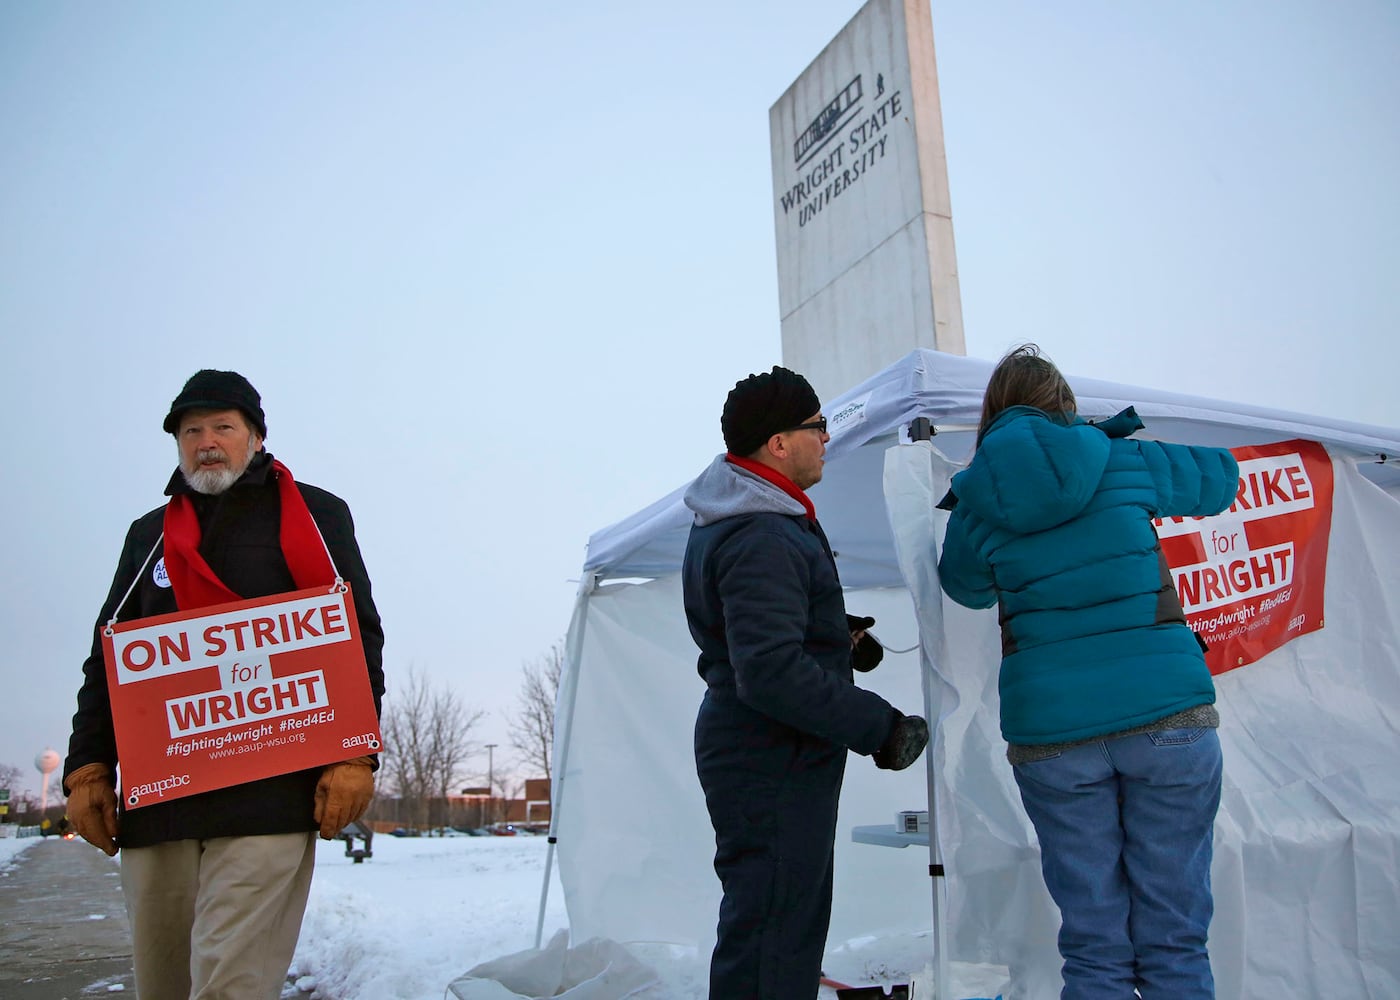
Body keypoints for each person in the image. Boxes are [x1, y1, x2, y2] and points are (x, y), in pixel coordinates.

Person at [62, 369, 385, 1000]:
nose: (206, 442)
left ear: (256, 438)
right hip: (163, 800)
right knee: (165, 983)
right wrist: (88, 768)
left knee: (229, 984)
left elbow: (354, 634)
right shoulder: (148, 534)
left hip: (269, 793)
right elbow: (109, 657)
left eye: (222, 428)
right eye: (190, 431)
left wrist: (354, 753)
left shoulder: (318, 514)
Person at [937, 345, 1239, 999]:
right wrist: (1110, 446)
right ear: (1064, 405)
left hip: (1054, 734)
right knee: (1175, 939)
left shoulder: (976, 500)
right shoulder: (1122, 460)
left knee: (1096, 949)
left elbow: (964, 586)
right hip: (1167, 715)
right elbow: (1222, 479)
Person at [682, 365, 929, 1000]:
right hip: (770, 756)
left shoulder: (749, 518)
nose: (827, 438)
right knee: (772, 936)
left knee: (776, 928)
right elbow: (767, 670)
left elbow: (754, 636)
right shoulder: (761, 531)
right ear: (778, 443)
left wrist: (831, 635)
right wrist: (880, 727)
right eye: (816, 426)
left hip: (767, 751)